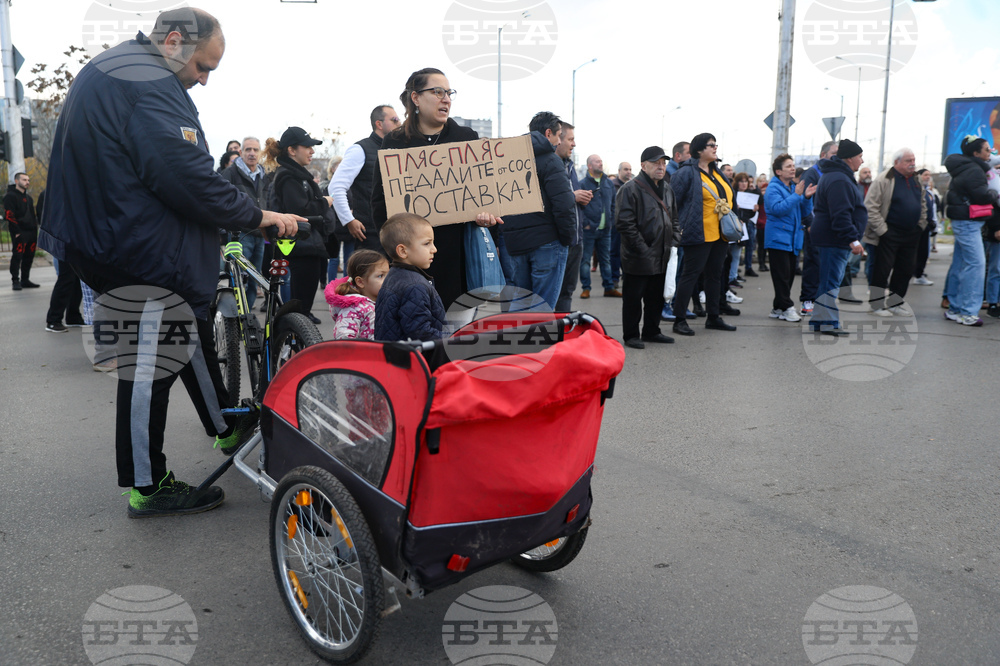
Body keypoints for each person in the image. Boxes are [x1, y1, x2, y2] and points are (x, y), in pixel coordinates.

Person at [38, 8, 302, 518]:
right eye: (204, 67)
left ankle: (226, 425)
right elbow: (185, 176)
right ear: (175, 41)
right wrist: (258, 215)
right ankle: (147, 484)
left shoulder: (121, 69)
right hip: (134, 248)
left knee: (188, 334)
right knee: (148, 367)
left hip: (119, 237)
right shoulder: (148, 82)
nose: (202, 80)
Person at [370, 67, 500, 310]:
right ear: (416, 98)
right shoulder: (395, 142)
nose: (447, 99)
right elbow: (380, 201)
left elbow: (484, 196)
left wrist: (486, 219)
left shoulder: (466, 138)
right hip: (410, 260)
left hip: (456, 258)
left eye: (449, 93)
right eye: (438, 92)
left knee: (455, 331)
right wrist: (394, 250)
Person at [498, 111, 575, 310]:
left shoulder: (508, 160)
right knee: (542, 310)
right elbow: (564, 205)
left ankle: (521, 341)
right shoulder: (551, 160)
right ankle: (540, 342)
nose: (559, 142)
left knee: (521, 306)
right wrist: (568, 239)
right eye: (559, 136)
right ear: (548, 133)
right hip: (547, 243)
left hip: (515, 244)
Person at [668, 133, 739, 336]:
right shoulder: (686, 173)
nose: (715, 148)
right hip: (697, 233)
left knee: (715, 276)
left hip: (720, 234)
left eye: (716, 145)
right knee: (690, 275)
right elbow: (673, 203)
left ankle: (713, 317)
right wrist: (679, 226)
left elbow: (729, 197)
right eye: (711, 145)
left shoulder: (717, 172)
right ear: (699, 150)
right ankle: (679, 319)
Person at [264, 126, 332, 325]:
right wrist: (324, 202)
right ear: (292, 150)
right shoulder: (288, 176)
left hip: (305, 244)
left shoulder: (295, 175)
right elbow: (299, 211)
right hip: (300, 244)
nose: (312, 151)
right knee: (299, 304)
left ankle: (299, 325)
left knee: (303, 301)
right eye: (307, 146)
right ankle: (294, 338)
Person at [616, 146, 678, 348]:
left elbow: (675, 218)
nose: (661, 167)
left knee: (655, 298)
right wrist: (643, 250)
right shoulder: (629, 189)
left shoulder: (667, 188)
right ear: (643, 166)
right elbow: (626, 224)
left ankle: (652, 331)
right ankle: (631, 335)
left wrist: (674, 240)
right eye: (656, 163)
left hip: (662, 253)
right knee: (633, 299)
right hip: (637, 256)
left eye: (663, 163)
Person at [807, 140, 867, 335]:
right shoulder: (839, 179)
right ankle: (827, 323)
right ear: (849, 158)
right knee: (830, 282)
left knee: (828, 279)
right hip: (834, 238)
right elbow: (840, 214)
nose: (862, 160)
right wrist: (853, 239)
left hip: (832, 237)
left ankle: (820, 320)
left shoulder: (837, 176)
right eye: (859, 156)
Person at [330, 105, 402, 262]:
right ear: (379, 124)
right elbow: (336, 187)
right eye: (394, 120)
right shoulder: (360, 149)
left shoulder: (398, 149)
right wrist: (349, 220)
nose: (400, 123)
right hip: (371, 234)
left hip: (396, 232)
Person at [862, 148, 927, 317]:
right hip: (889, 233)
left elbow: (922, 204)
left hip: (911, 233)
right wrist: (883, 231)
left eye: (913, 160)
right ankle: (876, 305)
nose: (912, 163)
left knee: (905, 270)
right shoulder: (884, 179)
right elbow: (870, 207)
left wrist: (921, 225)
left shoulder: (916, 179)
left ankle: (895, 303)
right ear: (897, 162)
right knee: (882, 270)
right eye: (908, 161)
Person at [942, 137, 996, 326]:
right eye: (987, 150)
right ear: (976, 153)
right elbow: (981, 195)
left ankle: (955, 308)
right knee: (976, 264)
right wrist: (995, 193)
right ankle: (968, 312)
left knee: (961, 263)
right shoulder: (974, 170)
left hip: (964, 220)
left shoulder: (966, 167)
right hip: (968, 221)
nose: (990, 153)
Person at [374, 212, 446, 341]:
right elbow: (421, 332)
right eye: (427, 243)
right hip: (413, 358)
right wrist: (453, 339)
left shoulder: (394, 274)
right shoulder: (415, 286)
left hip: (394, 354)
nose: (434, 249)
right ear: (402, 251)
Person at [765, 154, 815, 323]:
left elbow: (804, 211)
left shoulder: (793, 187)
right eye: (788, 166)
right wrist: (797, 195)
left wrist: (806, 197)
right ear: (778, 171)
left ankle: (777, 307)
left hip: (793, 238)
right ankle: (787, 307)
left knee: (788, 275)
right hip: (778, 237)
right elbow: (778, 209)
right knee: (782, 276)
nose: (793, 169)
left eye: (793, 166)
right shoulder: (773, 188)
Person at [220, 136, 267, 309]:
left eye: (255, 150)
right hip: (239, 235)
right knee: (239, 280)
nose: (252, 153)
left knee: (255, 280)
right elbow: (221, 202)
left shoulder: (263, 174)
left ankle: (248, 319)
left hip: (260, 234)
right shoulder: (229, 173)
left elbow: (266, 200)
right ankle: (236, 320)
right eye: (248, 149)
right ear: (240, 152)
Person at [797, 141, 838, 316]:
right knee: (813, 264)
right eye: (834, 153)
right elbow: (804, 201)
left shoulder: (834, 173)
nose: (837, 157)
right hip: (814, 228)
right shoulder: (812, 173)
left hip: (830, 229)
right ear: (823, 155)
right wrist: (809, 223)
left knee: (827, 267)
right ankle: (808, 301)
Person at [554, 121, 587, 311]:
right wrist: (572, 196)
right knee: (554, 294)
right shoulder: (549, 167)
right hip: (558, 242)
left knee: (567, 292)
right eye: (571, 139)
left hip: (576, 240)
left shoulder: (570, 167)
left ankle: (563, 333)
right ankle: (553, 335)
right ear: (558, 139)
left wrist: (581, 198)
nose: (574, 144)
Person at [324, 249, 388, 340]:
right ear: (360, 282)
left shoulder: (383, 301)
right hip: (364, 353)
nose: (388, 280)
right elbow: (344, 338)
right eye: (380, 276)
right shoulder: (353, 308)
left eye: (388, 275)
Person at [579, 154, 619, 298]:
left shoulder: (608, 183)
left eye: (601, 161)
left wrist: (611, 221)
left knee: (606, 260)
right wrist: (586, 224)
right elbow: (578, 207)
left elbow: (614, 205)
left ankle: (609, 288)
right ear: (590, 166)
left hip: (606, 229)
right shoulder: (582, 184)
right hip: (589, 230)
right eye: (597, 161)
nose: (600, 164)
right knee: (585, 261)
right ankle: (586, 288)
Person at [5, 172, 39, 290]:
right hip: (19, 232)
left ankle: (25, 279)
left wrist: (35, 229)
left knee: (29, 256)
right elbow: (9, 215)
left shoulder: (28, 198)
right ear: (16, 181)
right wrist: (17, 231)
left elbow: (33, 215)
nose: (27, 182)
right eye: (24, 180)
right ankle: (15, 280)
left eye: (28, 180)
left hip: (31, 231)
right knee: (17, 256)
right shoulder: (10, 196)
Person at [911, 169, 937, 286]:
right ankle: (911, 273)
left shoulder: (929, 193)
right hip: (915, 226)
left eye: (929, 175)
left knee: (923, 253)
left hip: (926, 226)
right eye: (925, 175)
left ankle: (919, 274)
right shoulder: (914, 190)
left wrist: (933, 223)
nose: (928, 177)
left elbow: (933, 210)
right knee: (912, 252)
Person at [608, 162, 632, 288]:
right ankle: (614, 278)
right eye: (626, 169)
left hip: (629, 225)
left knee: (628, 252)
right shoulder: (613, 185)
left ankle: (627, 276)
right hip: (616, 225)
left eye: (630, 169)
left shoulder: (633, 185)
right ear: (619, 171)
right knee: (615, 252)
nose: (628, 172)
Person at [755, 173, 770, 272]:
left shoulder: (770, 195)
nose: (762, 183)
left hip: (767, 223)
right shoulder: (756, 194)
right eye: (760, 181)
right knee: (761, 245)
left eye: (764, 180)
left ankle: (764, 263)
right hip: (759, 223)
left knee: (766, 245)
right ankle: (761, 263)